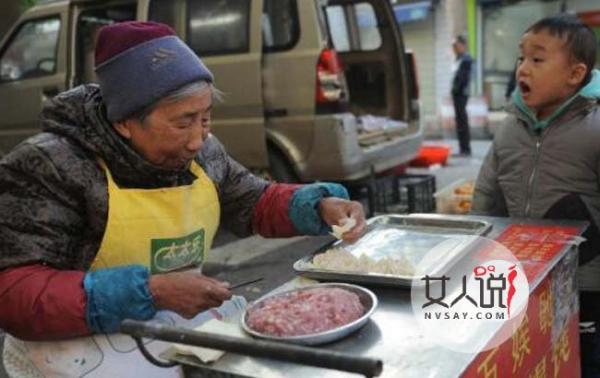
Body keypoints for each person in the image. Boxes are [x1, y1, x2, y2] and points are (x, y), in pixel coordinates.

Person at [0, 21, 366, 377]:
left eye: (205, 119)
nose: (197, 139)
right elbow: (15, 293)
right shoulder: (51, 165)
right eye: (183, 122)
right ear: (124, 122)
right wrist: (148, 291)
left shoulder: (203, 153)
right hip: (72, 348)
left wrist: (316, 205)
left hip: (173, 328)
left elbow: (252, 200)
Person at [470, 14, 600, 376]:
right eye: (520, 58)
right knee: (538, 353)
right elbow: (487, 193)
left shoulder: (595, 127)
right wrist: (473, 253)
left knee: (583, 356)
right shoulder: (511, 127)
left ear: (575, 74)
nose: (523, 68)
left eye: (537, 59)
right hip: (523, 275)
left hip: (588, 283)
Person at [451, 35, 473, 156]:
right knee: (459, 121)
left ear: (463, 45)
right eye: (453, 47)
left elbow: (462, 79)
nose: (454, 48)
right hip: (457, 93)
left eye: (456, 46)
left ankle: (465, 148)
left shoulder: (466, 59)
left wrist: (456, 89)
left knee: (462, 121)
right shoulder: (458, 58)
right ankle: (462, 147)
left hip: (461, 93)